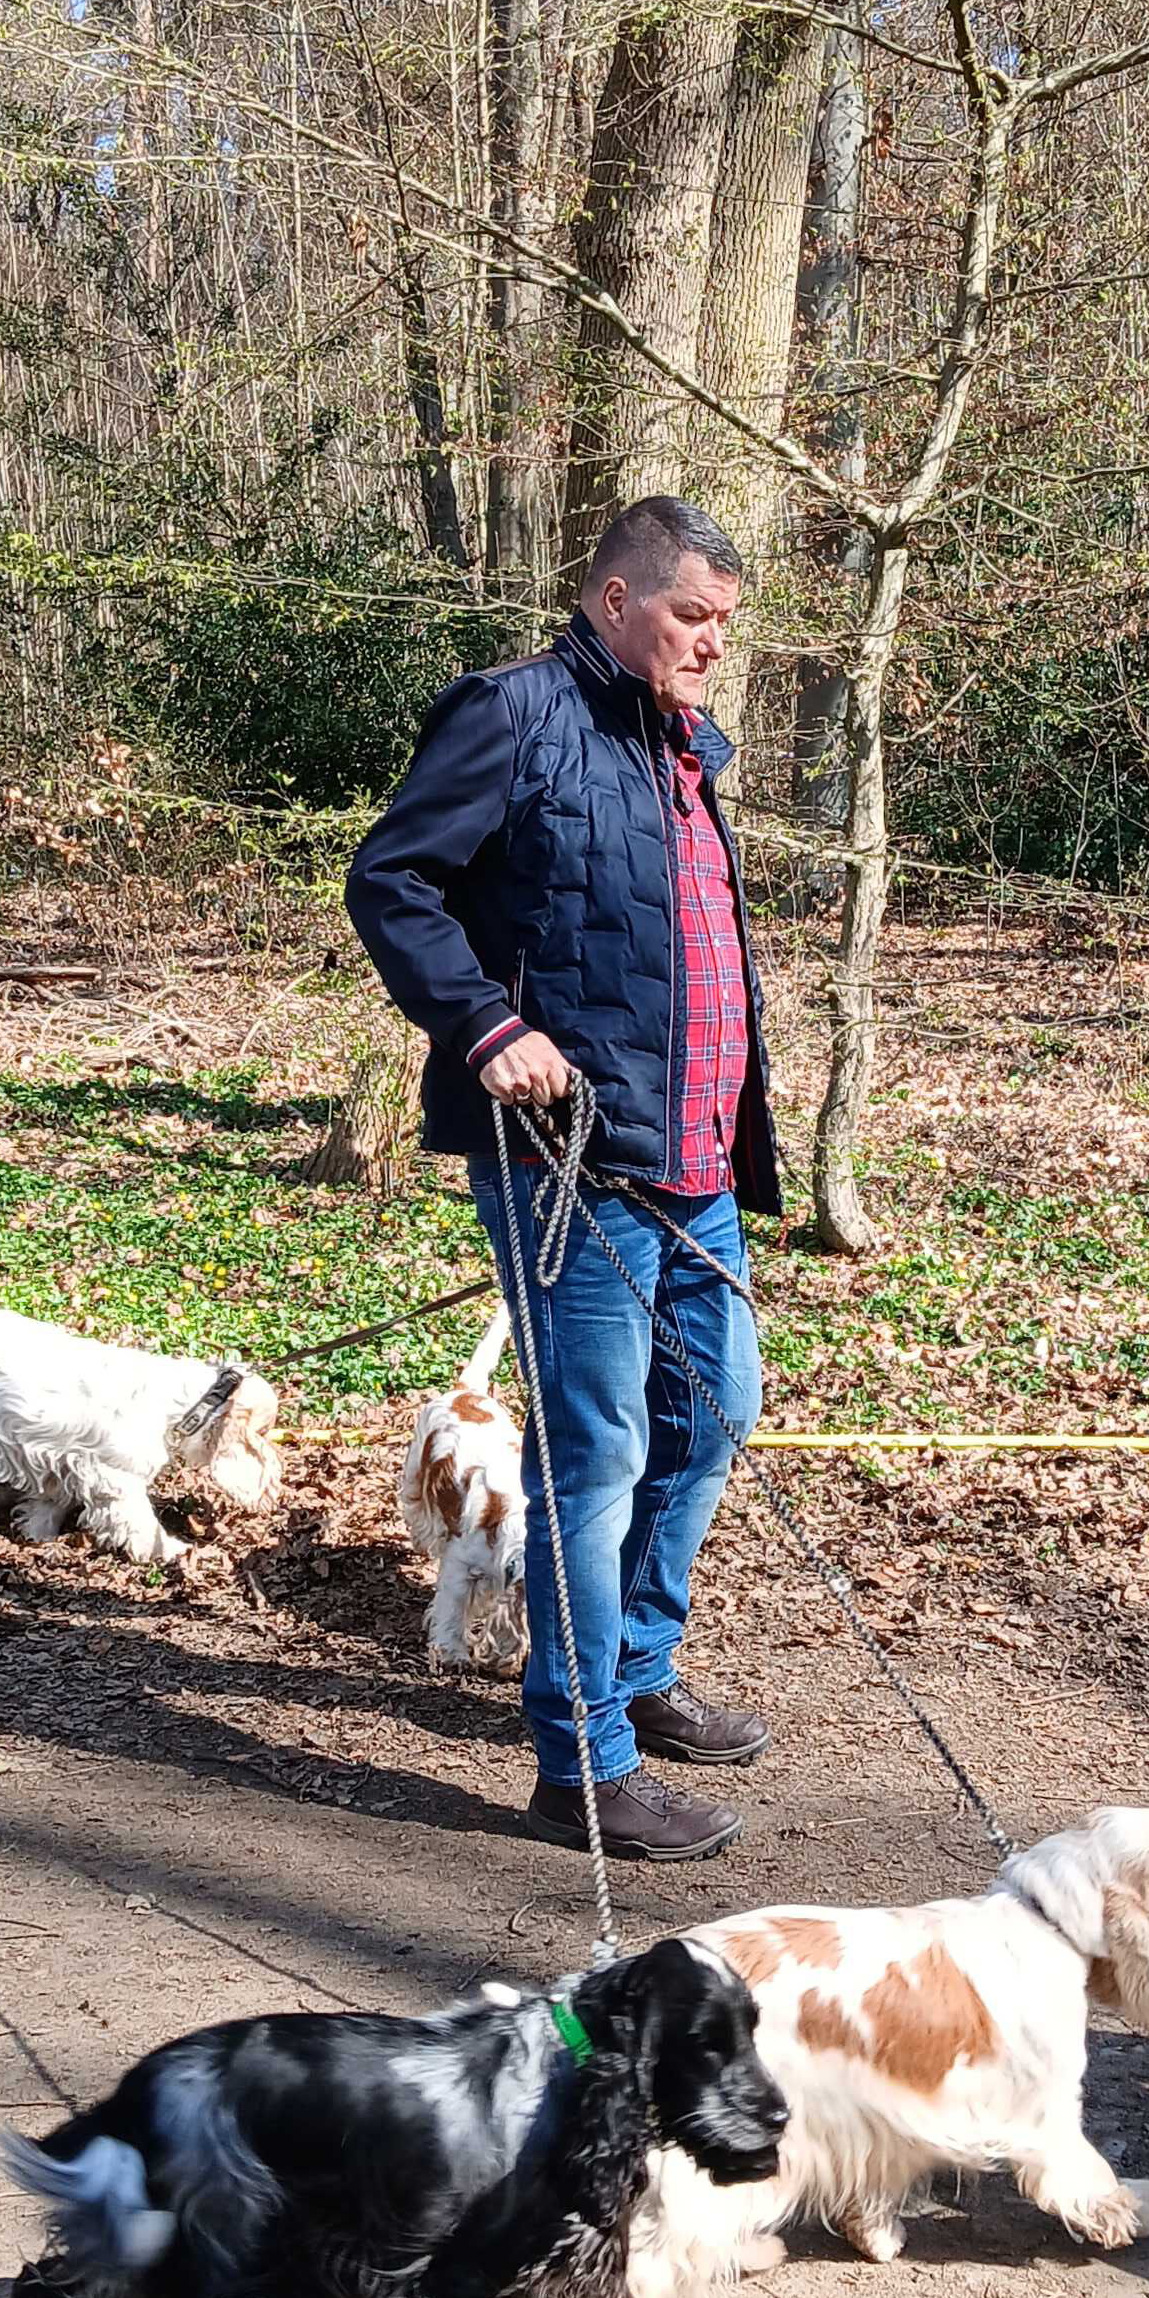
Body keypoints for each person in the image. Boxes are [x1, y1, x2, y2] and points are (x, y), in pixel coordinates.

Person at [346, 497, 775, 1860]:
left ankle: (635, 1669)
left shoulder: (680, 746)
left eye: (724, 622)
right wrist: (486, 1026)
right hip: (568, 1164)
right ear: (613, 598)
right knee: (598, 1455)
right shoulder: (513, 714)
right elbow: (393, 880)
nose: (712, 644)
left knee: (715, 1415)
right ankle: (582, 1764)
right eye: (692, 616)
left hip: (695, 1162)